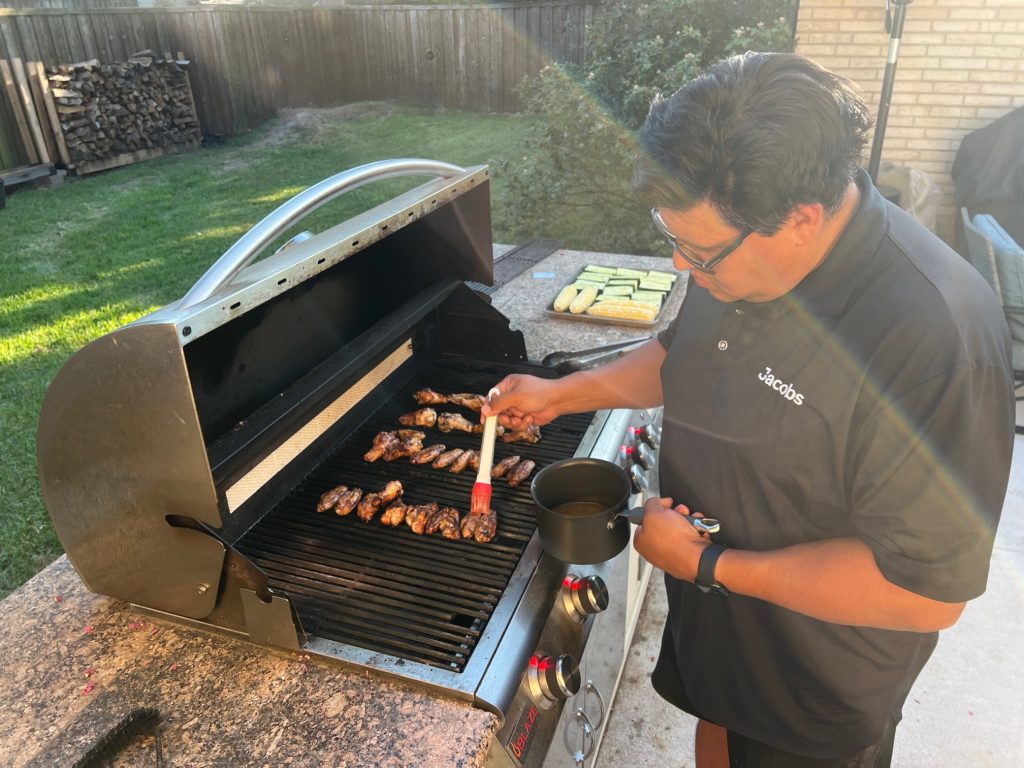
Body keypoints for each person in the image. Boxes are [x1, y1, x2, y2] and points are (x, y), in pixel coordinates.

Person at [482, 52, 1014, 767]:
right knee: (717, 730)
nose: (681, 268)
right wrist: (558, 395)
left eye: (697, 252)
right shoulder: (737, 251)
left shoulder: (934, 338)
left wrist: (710, 564)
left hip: (811, 676)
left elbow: (924, 593)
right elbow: (688, 356)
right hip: (718, 620)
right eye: (673, 241)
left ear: (800, 220)